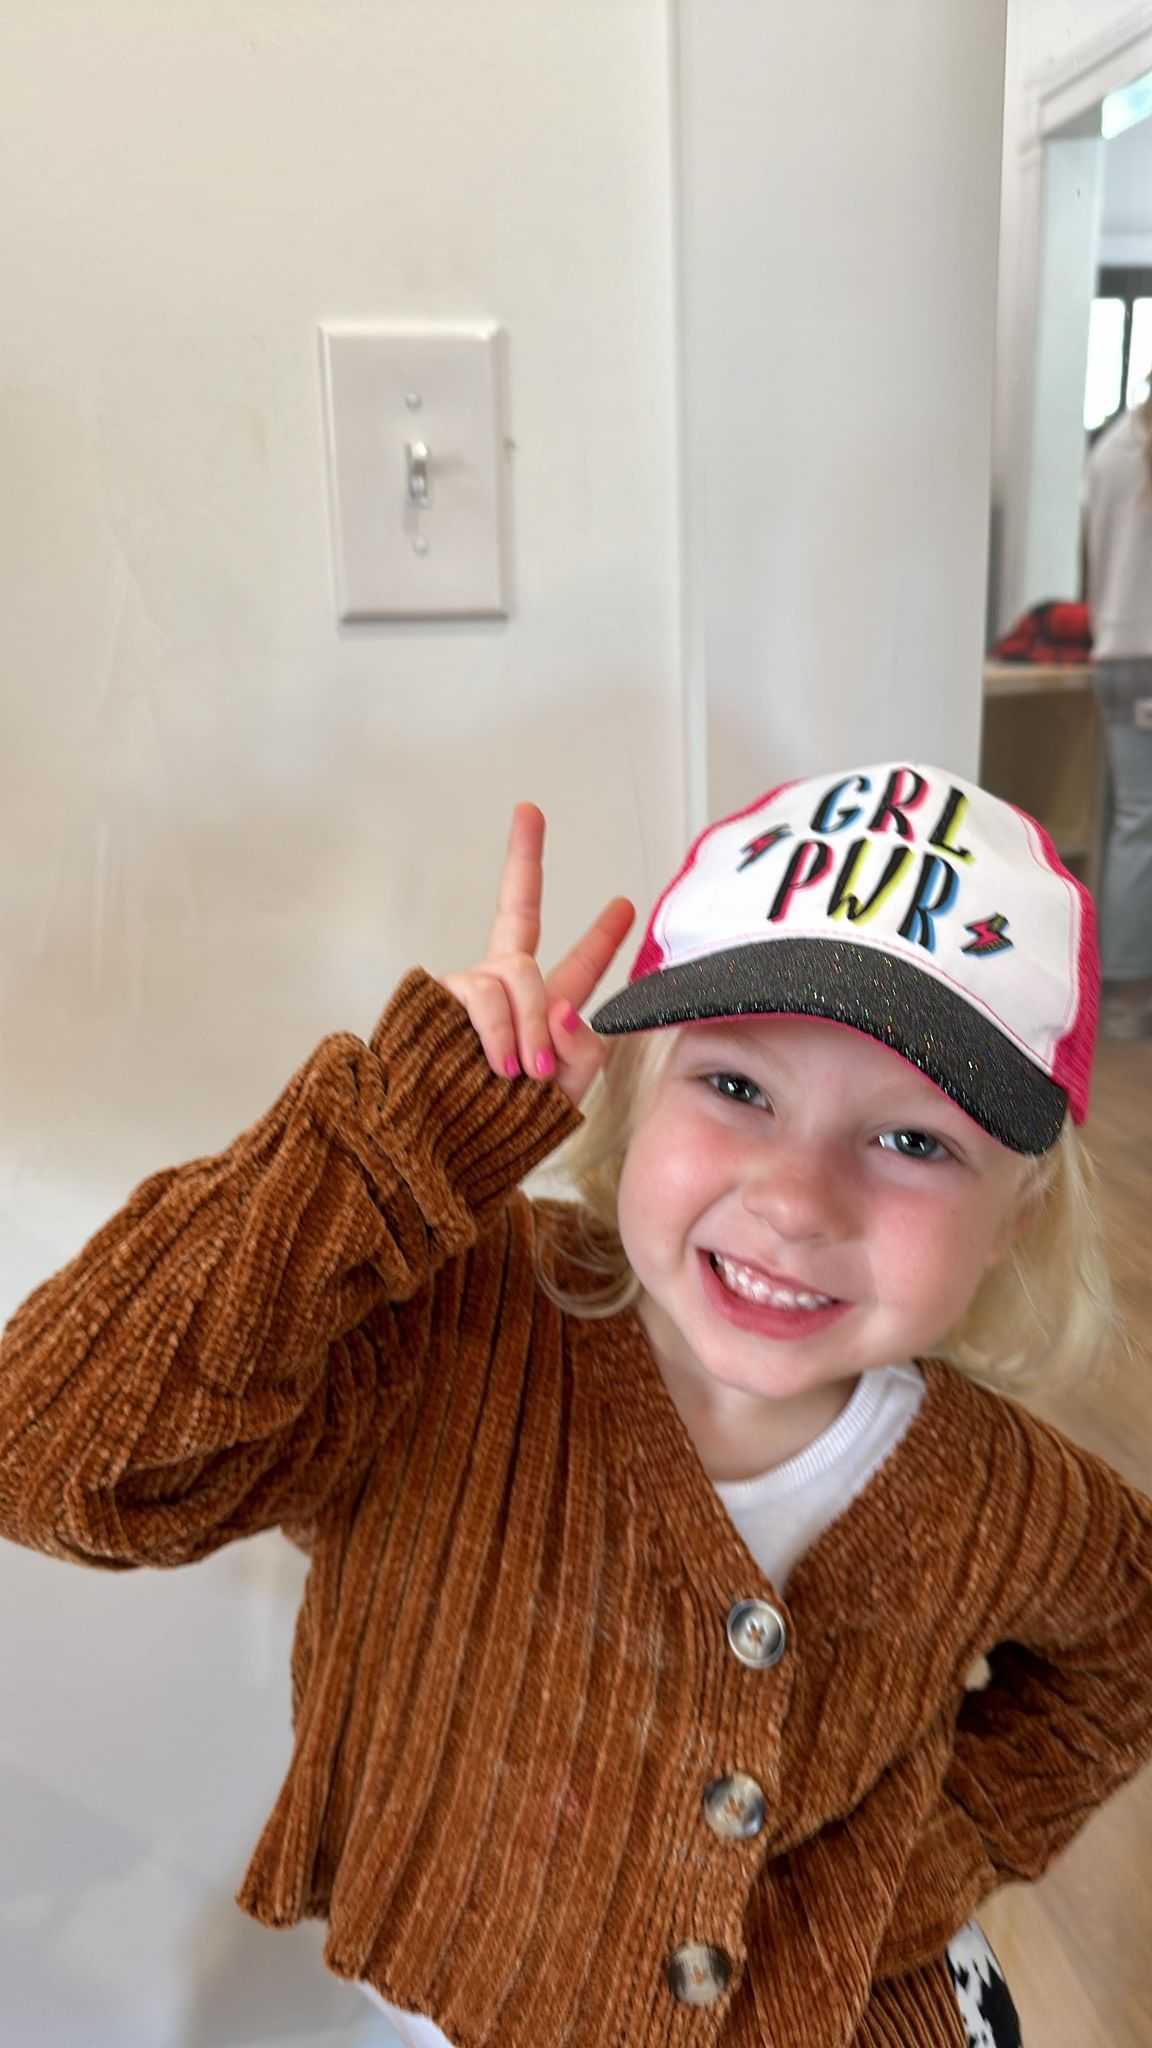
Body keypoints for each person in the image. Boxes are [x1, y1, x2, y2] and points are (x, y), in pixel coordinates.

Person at [1, 759, 1150, 2048]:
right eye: (738, 1087)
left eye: (913, 1141)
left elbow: (1124, 1646)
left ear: (1018, 1220)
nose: (796, 1198)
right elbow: (54, 1458)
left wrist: (937, 1851)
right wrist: (387, 1143)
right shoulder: (445, 1324)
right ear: (634, 1090)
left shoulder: (998, 1488)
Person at [1082, 389, 1152, 1037]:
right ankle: (1129, 999)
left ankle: (1127, 992)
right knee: (1141, 822)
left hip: (1118, 652)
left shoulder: (1111, 446)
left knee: (1135, 818)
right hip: (1144, 654)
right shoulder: (1132, 450)